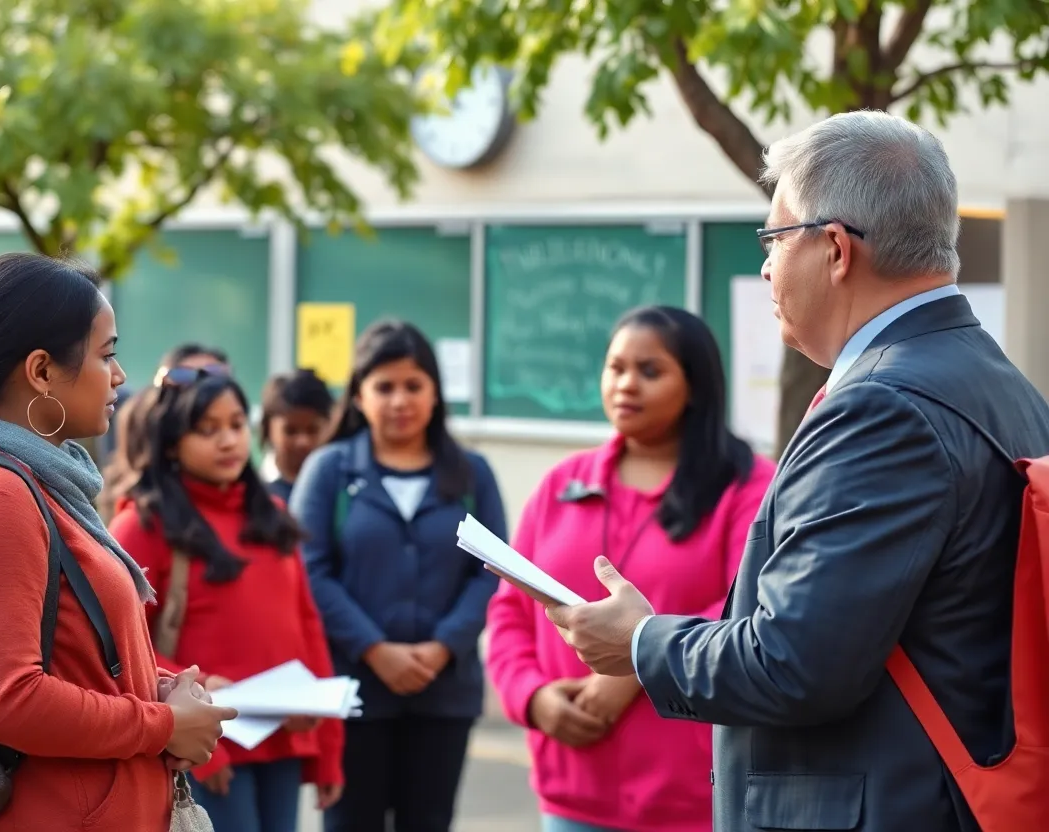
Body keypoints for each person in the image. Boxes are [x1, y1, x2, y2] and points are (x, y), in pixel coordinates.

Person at [542, 111, 1049, 831]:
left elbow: (796, 662)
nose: (766, 266)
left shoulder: (881, 407)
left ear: (836, 249)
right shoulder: (997, 383)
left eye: (774, 240)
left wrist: (640, 643)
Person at [0, 252, 236, 831]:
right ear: (41, 372)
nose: (120, 375)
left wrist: (163, 691)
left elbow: (67, 663)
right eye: (107, 354)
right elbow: (5, 701)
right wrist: (162, 725)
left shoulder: (38, 485)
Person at [488, 306, 774, 832]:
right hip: (571, 790)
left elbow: (751, 608)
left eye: (650, 371)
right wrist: (532, 698)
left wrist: (639, 661)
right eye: (615, 367)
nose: (625, 384)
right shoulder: (563, 483)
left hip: (693, 796)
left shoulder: (747, 487)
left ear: (696, 385)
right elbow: (511, 610)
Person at [290, 319, 507, 832]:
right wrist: (374, 648)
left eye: (414, 385)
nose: (399, 400)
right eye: (384, 386)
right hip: (352, 692)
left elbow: (494, 572)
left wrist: (442, 646)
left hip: (445, 692)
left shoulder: (472, 474)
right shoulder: (330, 470)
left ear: (435, 393)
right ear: (359, 395)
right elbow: (309, 572)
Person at [109, 365, 343, 832]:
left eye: (236, 425)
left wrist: (328, 748)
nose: (228, 441)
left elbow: (308, 627)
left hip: (284, 738)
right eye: (207, 429)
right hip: (205, 744)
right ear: (173, 441)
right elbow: (121, 644)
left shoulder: (273, 516)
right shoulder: (142, 525)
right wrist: (190, 736)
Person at [99, 343, 230, 522]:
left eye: (214, 377)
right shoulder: (138, 520)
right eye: (184, 378)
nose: (227, 442)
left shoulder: (264, 511)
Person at [259, 368, 335, 503]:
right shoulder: (252, 493)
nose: (302, 442)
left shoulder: (341, 490)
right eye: (290, 431)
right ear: (268, 429)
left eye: (312, 430)